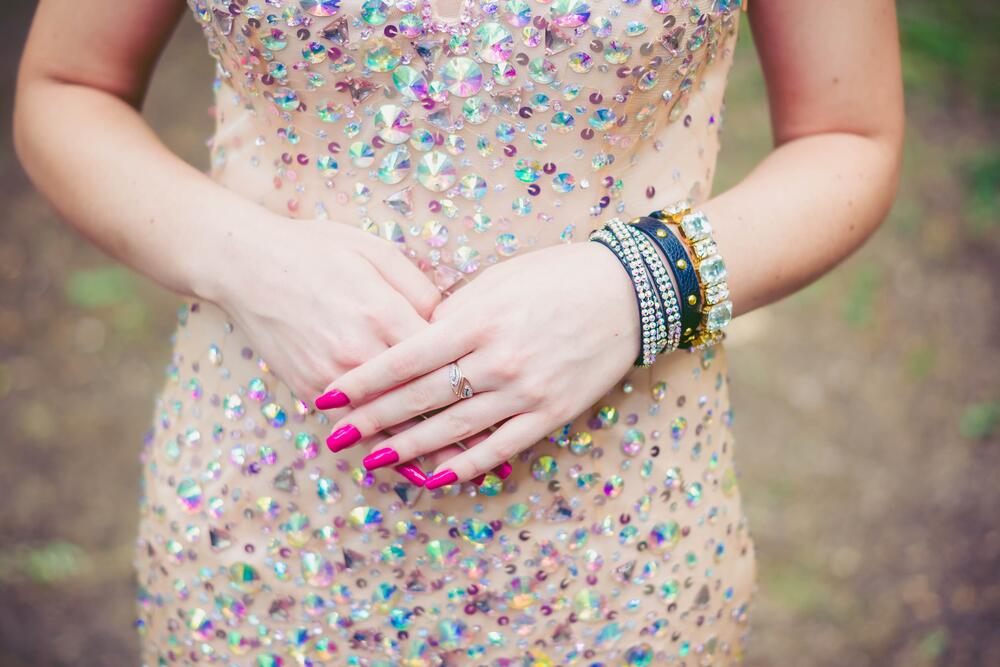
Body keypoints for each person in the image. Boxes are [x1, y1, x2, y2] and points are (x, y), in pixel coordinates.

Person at [14, 0, 903, 664]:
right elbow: (66, 87)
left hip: (620, 550)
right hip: (260, 534)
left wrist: (639, 286)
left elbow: (849, 134)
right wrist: (243, 259)